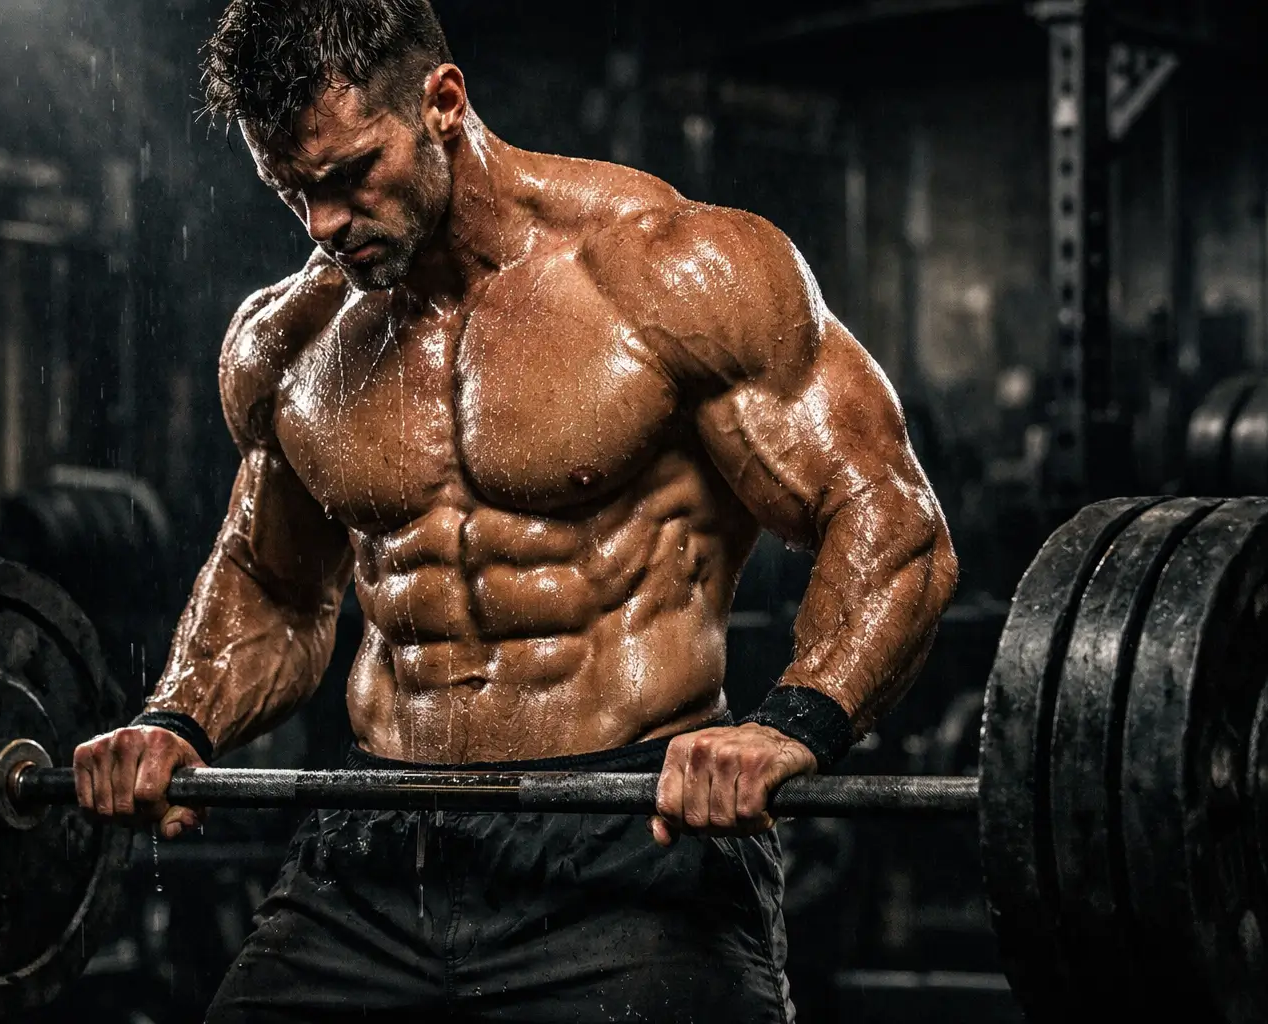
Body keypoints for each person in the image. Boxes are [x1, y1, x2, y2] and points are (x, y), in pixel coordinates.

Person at [74, 1, 957, 1020]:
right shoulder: (291, 342)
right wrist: (177, 718)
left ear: (442, 103)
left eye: (351, 174)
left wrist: (792, 725)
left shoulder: (668, 270)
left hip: (630, 846)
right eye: (292, 191)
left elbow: (890, 518)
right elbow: (274, 585)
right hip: (376, 852)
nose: (323, 224)